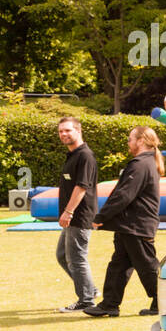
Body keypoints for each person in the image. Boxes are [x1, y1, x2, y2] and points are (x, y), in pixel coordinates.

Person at [84, 127, 163, 317]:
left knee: (147, 265)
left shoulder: (140, 165)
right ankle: (110, 304)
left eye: (130, 139)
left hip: (136, 225)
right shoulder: (146, 163)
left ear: (141, 141)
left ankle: (164, 301)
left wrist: (101, 217)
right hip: (131, 225)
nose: (128, 143)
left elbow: (124, 195)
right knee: (119, 265)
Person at [55, 116, 100, 312]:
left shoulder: (85, 156)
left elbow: (82, 187)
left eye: (68, 130)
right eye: (61, 131)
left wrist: (68, 212)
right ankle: (89, 289)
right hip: (72, 217)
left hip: (79, 216)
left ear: (78, 131)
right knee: (63, 255)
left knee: (77, 258)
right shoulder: (72, 155)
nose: (64, 134)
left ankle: (86, 300)